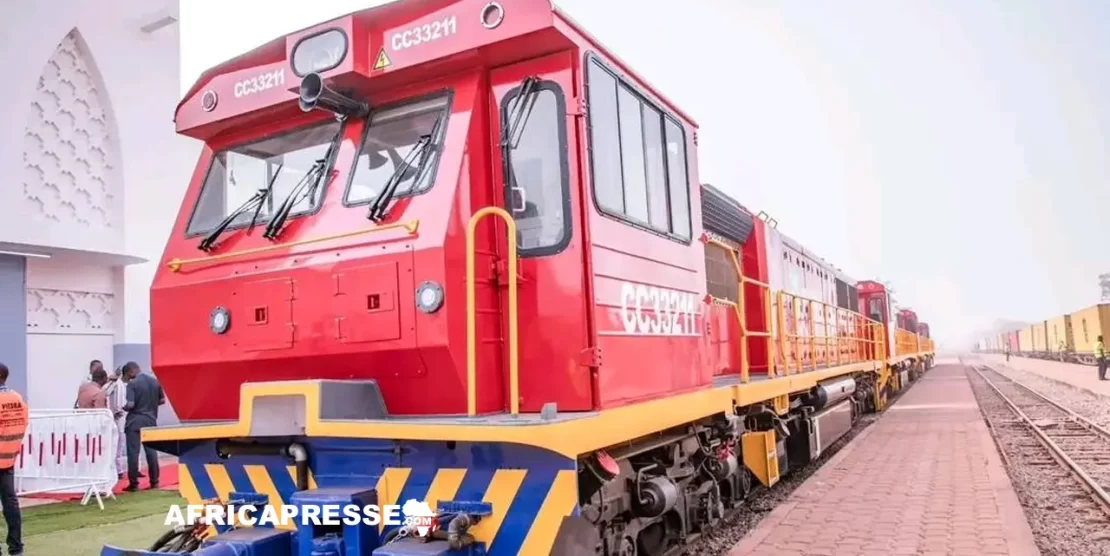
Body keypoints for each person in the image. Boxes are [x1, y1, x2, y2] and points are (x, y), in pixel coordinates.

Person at [121, 361, 165, 491]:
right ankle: (154, 482)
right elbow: (162, 400)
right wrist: (151, 405)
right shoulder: (155, 382)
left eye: (127, 375)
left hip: (134, 421)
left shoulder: (132, 384)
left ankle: (134, 484)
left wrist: (123, 408)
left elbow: (130, 404)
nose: (128, 378)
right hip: (150, 420)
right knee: (151, 452)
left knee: (133, 453)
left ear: (131, 371)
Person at [0, 363, 28, 556]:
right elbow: (23, 423)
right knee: (10, 503)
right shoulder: (17, 398)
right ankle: (16, 547)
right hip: (8, 459)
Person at [104, 366, 127, 478]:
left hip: (122, 416)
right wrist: (111, 380)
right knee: (115, 443)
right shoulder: (114, 383)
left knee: (120, 443)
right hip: (115, 416)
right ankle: (117, 470)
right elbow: (105, 392)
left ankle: (119, 469)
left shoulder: (124, 385)